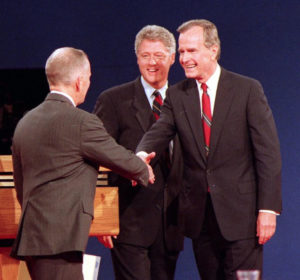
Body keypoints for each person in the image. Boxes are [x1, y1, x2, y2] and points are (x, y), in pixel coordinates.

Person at [136, 19, 282, 280]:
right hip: (201, 219)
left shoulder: (247, 90)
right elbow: (160, 131)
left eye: (191, 51)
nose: (184, 58)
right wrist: (140, 155)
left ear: (213, 50)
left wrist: (268, 208)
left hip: (243, 220)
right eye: (181, 52)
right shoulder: (178, 94)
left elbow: (268, 154)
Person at [10, 47, 154, 280]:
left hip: (34, 238)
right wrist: (141, 166)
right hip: (61, 241)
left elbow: (20, 186)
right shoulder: (81, 122)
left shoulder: (26, 122)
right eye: (88, 79)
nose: (88, 84)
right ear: (79, 82)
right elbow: (117, 157)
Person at [93, 25, 184, 280]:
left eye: (159, 55)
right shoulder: (113, 101)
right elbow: (94, 159)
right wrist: (102, 218)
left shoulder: (185, 101)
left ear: (172, 58)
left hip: (170, 227)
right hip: (128, 223)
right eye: (145, 56)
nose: (152, 63)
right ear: (137, 58)